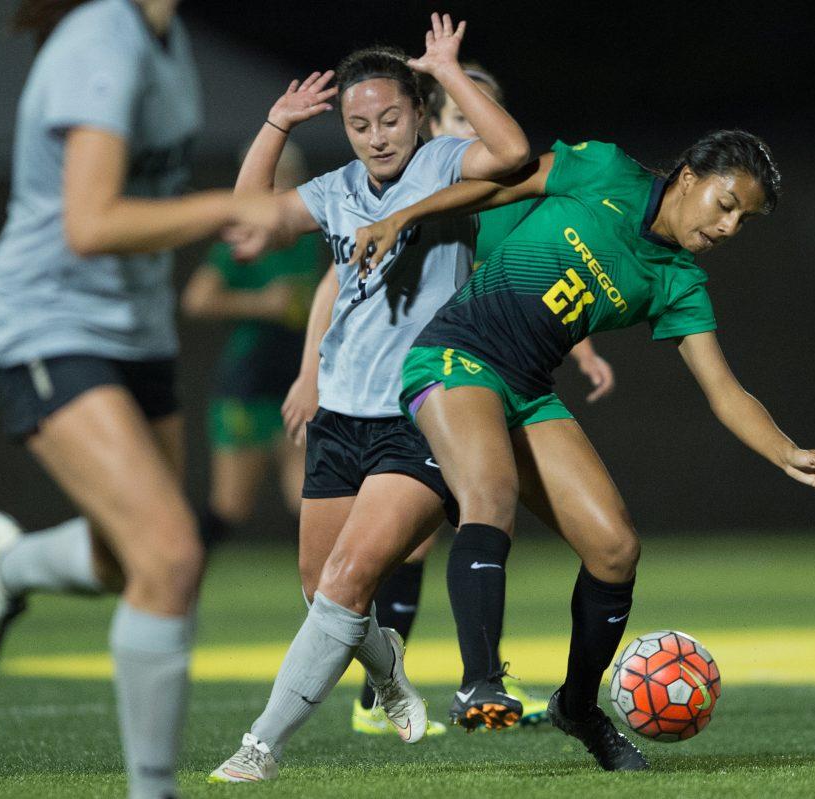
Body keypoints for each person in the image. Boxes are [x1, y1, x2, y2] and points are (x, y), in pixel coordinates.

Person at [351, 130, 815, 770]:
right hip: (456, 353)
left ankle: (579, 707)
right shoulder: (604, 169)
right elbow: (502, 183)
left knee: (616, 550)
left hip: (528, 391)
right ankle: (480, 681)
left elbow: (724, 391)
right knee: (488, 496)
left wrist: (788, 453)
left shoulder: (677, 281)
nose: (730, 226)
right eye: (726, 203)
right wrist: (402, 216)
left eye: (744, 220)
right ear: (688, 175)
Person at [0, 1, 283, 797]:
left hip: (137, 337)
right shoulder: (101, 37)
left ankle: (8, 566)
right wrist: (228, 208)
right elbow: (90, 222)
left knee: (123, 561)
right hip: (49, 324)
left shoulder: (169, 43)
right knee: (173, 555)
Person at [208, 13, 532, 783]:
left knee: (350, 581)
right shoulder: (337, 190)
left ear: (417, 114)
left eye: (390, 118)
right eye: (359, 124)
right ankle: (387, 675)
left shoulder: (448, 162)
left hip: (422, 414)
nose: (377, 135)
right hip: (340, 417)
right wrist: (275, 124)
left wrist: (450, 72)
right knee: (324, 591)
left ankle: (262, 744)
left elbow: (516, 154)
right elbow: (249, 216)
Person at [348, 62, 614, 734]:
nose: (473, 129)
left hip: (474, 374)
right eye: (461, 117)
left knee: (462, 518)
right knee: (410, 539)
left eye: (482, 115)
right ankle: (391, 693)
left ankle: (462, 681)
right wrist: (308, 372)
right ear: (435, 128)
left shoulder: (506, 200)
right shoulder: (416, 189)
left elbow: (535, 285)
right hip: (422, 372)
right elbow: (341, 281)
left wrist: (579, 348)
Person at [182, 144, 323, 546]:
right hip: (249, 380)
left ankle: (328, 602)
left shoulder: (309, 234)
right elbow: (197, 299)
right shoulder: (241, 237)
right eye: (275, 173)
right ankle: (174, 583)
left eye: (291, 172)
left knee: (311, 500)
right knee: (231, 506)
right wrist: (261, 303)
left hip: (294, 378)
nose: (284, 182)